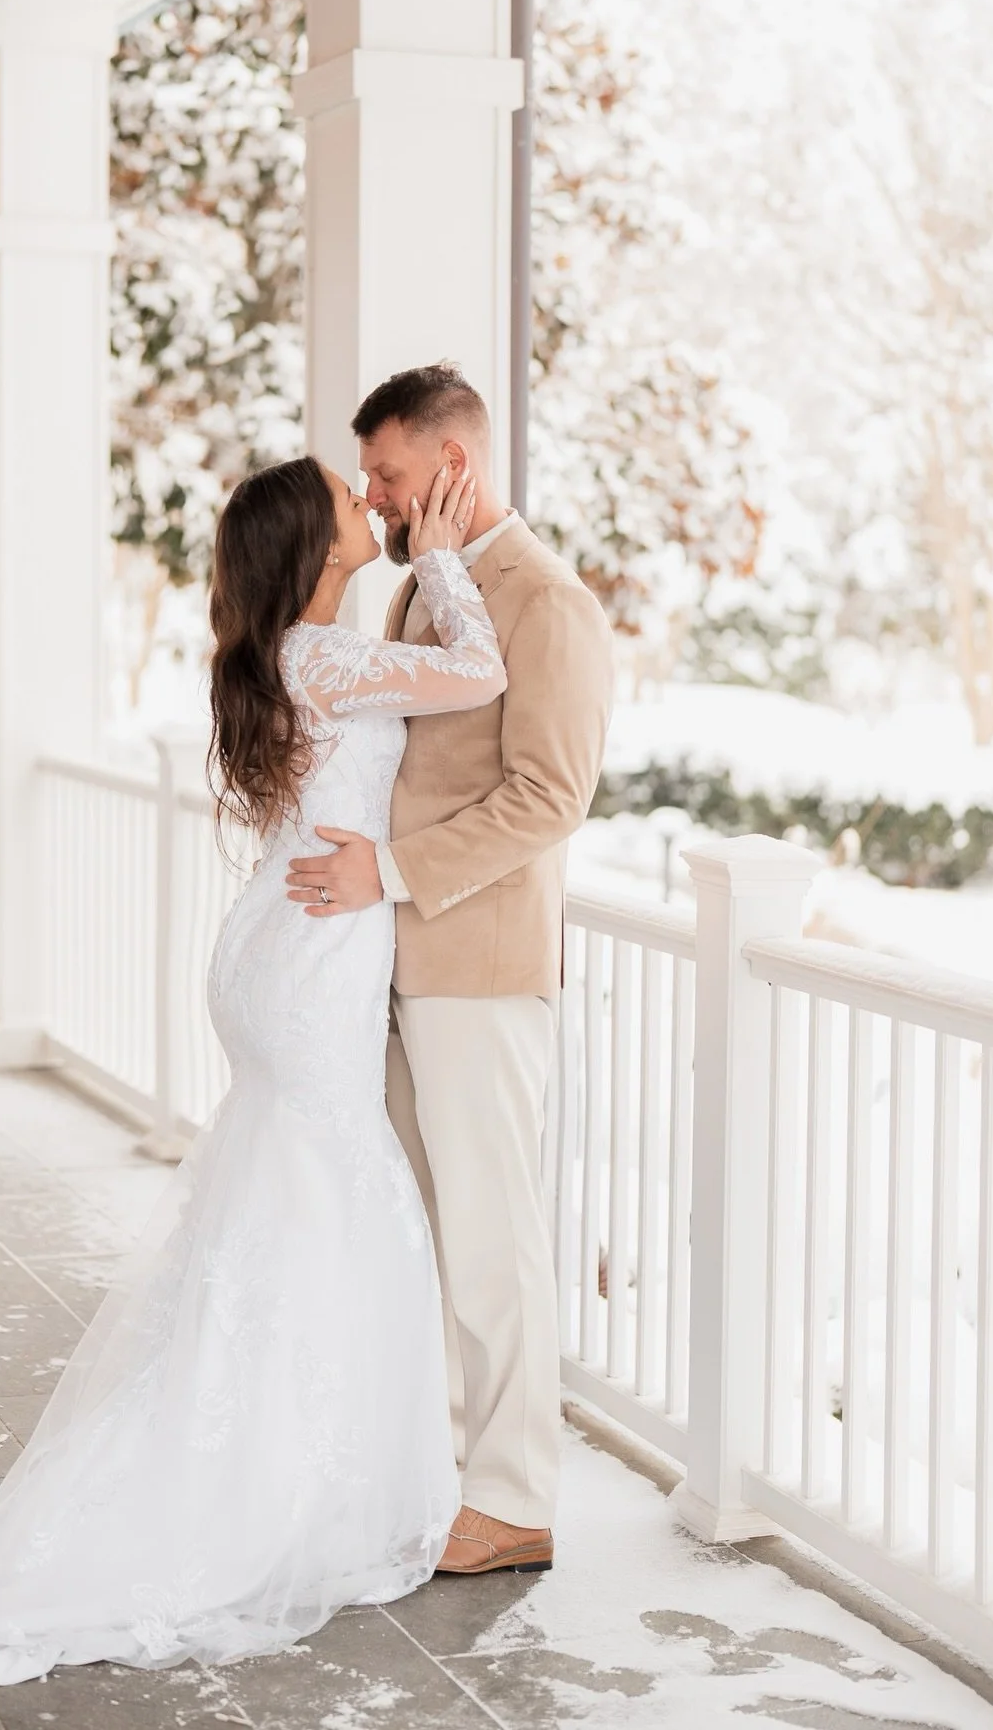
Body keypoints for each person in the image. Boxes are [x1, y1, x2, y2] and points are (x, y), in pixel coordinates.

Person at [0, 454, 505, 1730]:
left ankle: (274, 1454)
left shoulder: (301, 652)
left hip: (285, 946)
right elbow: (480, 674)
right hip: (312, 959)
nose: (369, 500)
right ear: (314, 545)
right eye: (348, 495)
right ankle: (270, 1481)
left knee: (290, 1208)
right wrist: (451, 556)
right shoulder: (321, 654)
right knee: (331, 1201)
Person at [286, 364, 616, 1576]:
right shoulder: (421, 592)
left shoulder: (548, 603)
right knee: (424, 1232)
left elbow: (549, 798)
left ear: (453, 465)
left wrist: (389, 872)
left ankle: (516, 1498)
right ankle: (445, 1472)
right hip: (393, 962)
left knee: (491, 1237)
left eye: (387, 473)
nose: (372, 495)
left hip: (477, 964)